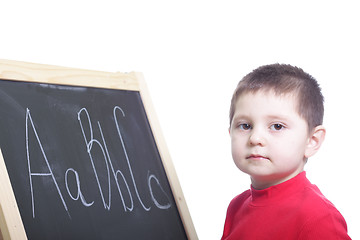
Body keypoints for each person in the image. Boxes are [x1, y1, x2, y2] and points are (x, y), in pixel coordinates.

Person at [221, 64, 351, 239]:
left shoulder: (318, 218)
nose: (255, 138)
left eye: (277, 126)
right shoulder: (236, 206)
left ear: (312, 141)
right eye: (245, 126)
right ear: (230, 132)